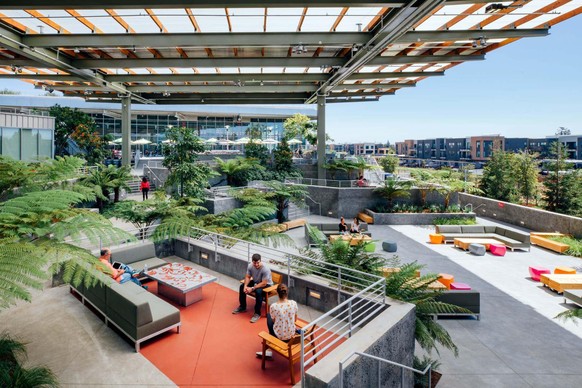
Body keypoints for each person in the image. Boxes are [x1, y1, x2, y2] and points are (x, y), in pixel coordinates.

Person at [255, 283, 298, 359]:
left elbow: (274, 321)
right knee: (275, 320)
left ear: (277, 293)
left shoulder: (274, 306)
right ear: (287, 292)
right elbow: (295, 320)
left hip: (279, 336)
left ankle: (268, 349)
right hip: (291, 335)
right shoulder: (293, 303)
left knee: (269, 316)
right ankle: (268, 349)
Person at [233, 253, 273, 323]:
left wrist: (252, 288)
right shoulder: (250, 266)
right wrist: (245, 286)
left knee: (258, 292)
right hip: (256, 282)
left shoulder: (265, 269)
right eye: (254, 263)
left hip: (267, 285)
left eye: (258, 262)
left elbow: (264, 283)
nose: (256, 264)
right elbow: (248, 276)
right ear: (252, 262)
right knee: (242, 286)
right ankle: (242, 307)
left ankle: (257, 313)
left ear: (260, 261)